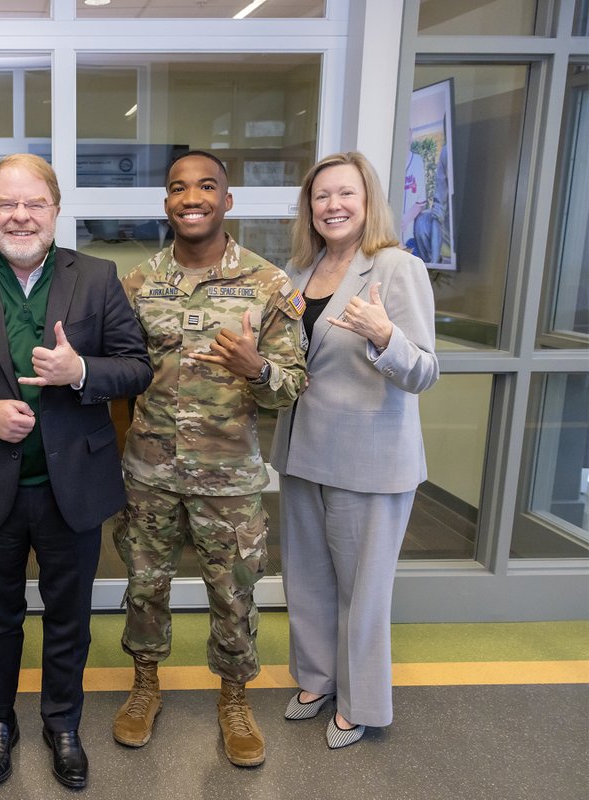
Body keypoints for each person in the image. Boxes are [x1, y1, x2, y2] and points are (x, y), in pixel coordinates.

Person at [0, 154, 152, 789]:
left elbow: (136, 365)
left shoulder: (98, 277)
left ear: (55, 209)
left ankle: (62, 721)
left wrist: (82, 374)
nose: (20, 216)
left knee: (68, 615)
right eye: (6, 205)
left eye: (34, 204)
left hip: (72, 487)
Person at [113, 150, 307, 767]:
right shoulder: (139, 283)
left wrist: (258, 370)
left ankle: (234, 696)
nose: (190, 197)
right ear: (166, 202)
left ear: (228, 200)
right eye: (177, 188)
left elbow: (294, 383)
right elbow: (120, 372)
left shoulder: (268, 284)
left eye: (205, 186)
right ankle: (146, 684)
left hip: (229, 477)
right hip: (149, 472)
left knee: (234, 590)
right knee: (145, 585)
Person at [269, 151, 439, 749]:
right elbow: (294, 363)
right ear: (308, 208)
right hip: (302, 451)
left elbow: (423, 370)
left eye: (345, 194)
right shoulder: (300, 272)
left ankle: (361, 703)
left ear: (367, 202)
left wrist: (384, 334)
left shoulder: (395, 269)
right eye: (321, 197)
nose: (332, 206)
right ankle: (316, 679)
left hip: (369, 460)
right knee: (308, 579)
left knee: (362, 591)